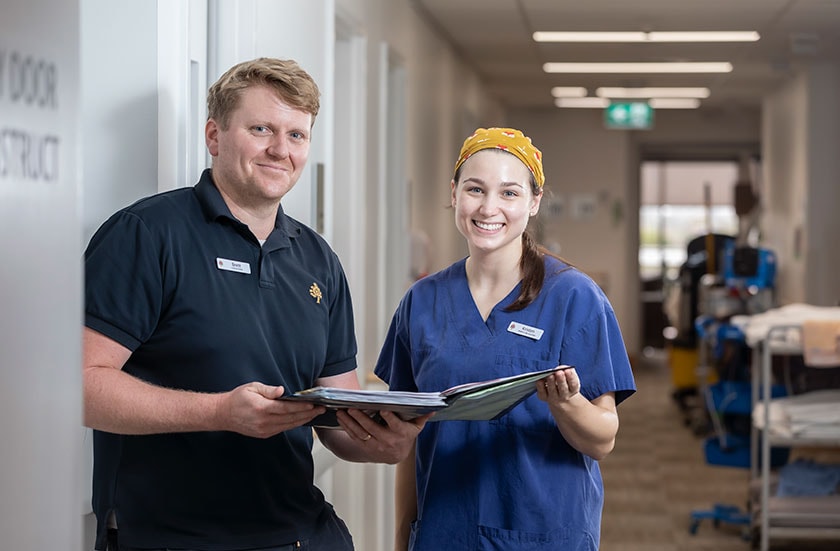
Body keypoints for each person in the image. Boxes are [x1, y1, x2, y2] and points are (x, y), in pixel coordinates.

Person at [83, 57, 427, 551]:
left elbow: (339, 418)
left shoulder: (318, 261)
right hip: (174, 537)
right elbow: (81, 386)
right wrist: (220, 411)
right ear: (214, 136)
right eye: (261, 128)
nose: (279, 150)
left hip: (297, 534)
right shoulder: (147, 235)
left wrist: (385, 445)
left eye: (296, 135)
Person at [375, 127, 637, 550]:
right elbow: (408, 440)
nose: (489, 207)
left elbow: (603, 438)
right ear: (455, 194)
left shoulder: (574, 297)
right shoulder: (421, 302)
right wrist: (402, 538)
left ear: (534, 202)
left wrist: (566, 403)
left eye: (509, 193)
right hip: (444, 531)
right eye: (475, 189)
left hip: (546, 532)